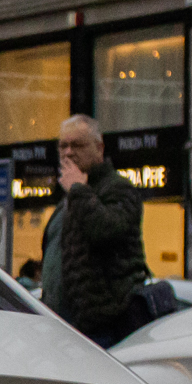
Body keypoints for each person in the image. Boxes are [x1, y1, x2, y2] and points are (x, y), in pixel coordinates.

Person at [43, 113, 149, 347]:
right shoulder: (71, 198)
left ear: (99, 148)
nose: (68, 153)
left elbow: (106, 229)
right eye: (63, 146)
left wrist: (78, 189)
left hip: (102, 328)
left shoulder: (119, 189)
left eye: (77, 145)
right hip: (65, 328)